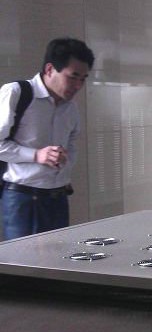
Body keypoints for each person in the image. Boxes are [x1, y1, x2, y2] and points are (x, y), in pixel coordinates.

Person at [0, 38, 94, 240]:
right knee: (23, 258)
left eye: (83, 79)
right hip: (23, 198)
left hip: (58, 197)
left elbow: (71, 143)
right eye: (73, 77)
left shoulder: (70, 107)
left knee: (59, 257)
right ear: (50, 69)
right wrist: (36, 155)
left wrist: (65, 167)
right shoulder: (17, 93)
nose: (78, 85)